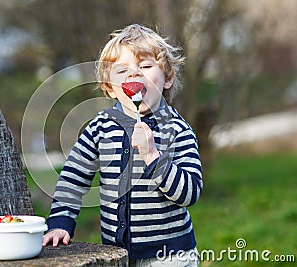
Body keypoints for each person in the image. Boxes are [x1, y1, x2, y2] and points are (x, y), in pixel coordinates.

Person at [42, 24, 203, 266]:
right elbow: (72, 178)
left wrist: (153, 156)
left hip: (169, 256)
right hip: (116, 255)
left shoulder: (177, 130)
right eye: (122, 71)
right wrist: (60, 222)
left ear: (167, 78)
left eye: (146, 66)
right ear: (109, 88)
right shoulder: (100, 128)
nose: (134, 74)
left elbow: (189, 193)